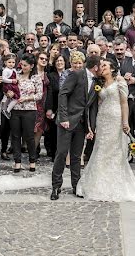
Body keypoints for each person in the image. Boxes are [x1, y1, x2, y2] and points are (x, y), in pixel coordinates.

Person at [74, 59, 135, 201]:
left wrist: (125, 122)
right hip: (102, 119)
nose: (102, 67)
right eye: (101, 66)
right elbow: (97, 102)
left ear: (112, 69)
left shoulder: (119, 81)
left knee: (114, 150)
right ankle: (97, 182)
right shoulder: (98, 83)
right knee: (101, 150)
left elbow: (124, 103)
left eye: (105, 65)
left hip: (116, 118)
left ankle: (114, 182)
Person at [50, 53, 101, 200]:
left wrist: (90, 127)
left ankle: (76, 186)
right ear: (95, 67)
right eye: (101, 66)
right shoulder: (76, 74)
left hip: (81, 123)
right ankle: (56, 186)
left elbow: (90, 107)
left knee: (76, 156)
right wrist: (64, 117)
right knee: (61, 153)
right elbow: (63, 94)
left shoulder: (97, 81)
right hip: (67, 121)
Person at [8, 54, 43, 172]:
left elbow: (39, 95)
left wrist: (27, 98)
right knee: (15, 135)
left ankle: (32, 161)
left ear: (32, 66)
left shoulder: (36, 78)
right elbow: (8, 87)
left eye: (25, 65)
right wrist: (8, 93)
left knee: (29, 136)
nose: (22, 67)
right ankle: (17, 161)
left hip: (29, 110)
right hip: (15, 109)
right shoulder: (16, 75)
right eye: (21, 64)